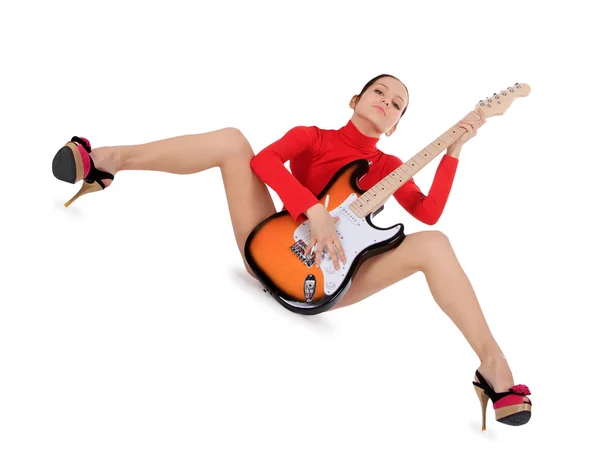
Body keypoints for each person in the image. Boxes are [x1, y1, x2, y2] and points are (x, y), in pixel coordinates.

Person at [51, 74, 531, 429]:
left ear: (396, 127)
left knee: (435, 244)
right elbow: (264, 162)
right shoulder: (312, 136)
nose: (387, 102)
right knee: (234, 142)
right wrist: (310, 210)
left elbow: (427, 213)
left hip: (332, 279)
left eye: (398, 104)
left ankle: (494, 367)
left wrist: (454, 152)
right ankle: (107, 161)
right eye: (380, 92)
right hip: (269, 243)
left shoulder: (388, 166)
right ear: (355, 99)